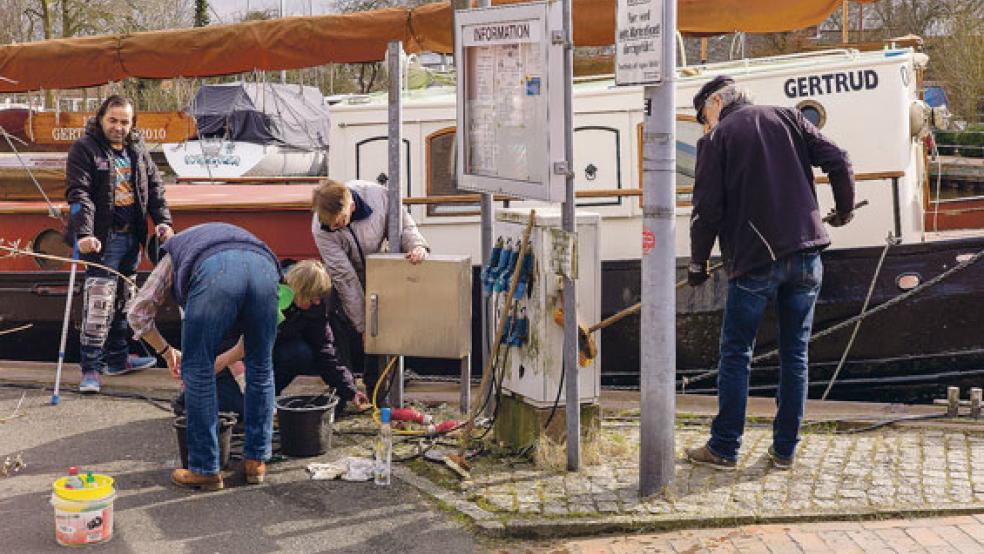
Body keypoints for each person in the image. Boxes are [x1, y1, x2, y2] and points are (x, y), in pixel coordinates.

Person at [684, 75, 855, 471]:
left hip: (755, 261)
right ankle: (784, 451)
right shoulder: (790, 117)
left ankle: (725, 447)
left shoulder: (716, 140)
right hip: (808, 253)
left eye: (701, 117)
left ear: (714, 104)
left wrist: (697, 263)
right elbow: (840, 159)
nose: (704, 126)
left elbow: (706, 211)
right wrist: (843, 210)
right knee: (795, 354)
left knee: (736, 353)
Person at [128, 222, 280, 491]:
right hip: (264, 266)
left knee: (197, 370)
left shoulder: (171, 254)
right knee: (261, 365)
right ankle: (256, 460)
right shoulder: (208, 236)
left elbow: (138, 313)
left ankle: (205, 468)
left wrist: (165, 351)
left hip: (217, 274)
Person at [65, 94, 174, 394]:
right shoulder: (85, 149)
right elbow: (79, 194)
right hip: (103, 237)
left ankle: (117, 358)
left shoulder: (137, 149)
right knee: (99, 302)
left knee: (125, 298)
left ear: (132, 124)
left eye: (125, 122)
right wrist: (85, 234)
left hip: (132, 237)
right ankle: (90, 368)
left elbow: (154, 188)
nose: (119, 127)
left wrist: (163, 222)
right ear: (101, 118)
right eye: (113, 120)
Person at [189, 260, 371, 419]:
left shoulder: (313, 309)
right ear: (301, 290)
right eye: (313, 297)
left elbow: (326, 351)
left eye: (320, 298)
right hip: (231, 356)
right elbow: (226, 335)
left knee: (301, 353)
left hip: (268, 353)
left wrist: (350, 391)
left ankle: (267, 396)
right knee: (240, 409)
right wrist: (241, 377)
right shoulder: (263, 293)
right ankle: (189, 399)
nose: (317, 303)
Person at [310, 178, 429, 402]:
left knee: (384, 323)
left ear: (351, 206)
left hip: (379, 268)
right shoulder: (321, 227)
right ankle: (345, 390)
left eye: (340, 222)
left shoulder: (380, 196)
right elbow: (345, 278)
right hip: (345, 274)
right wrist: (363, 325)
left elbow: (403, 226)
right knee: (337, 322)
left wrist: (416, 246)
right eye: (331, 226)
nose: (335, 228)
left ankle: (377, 388)